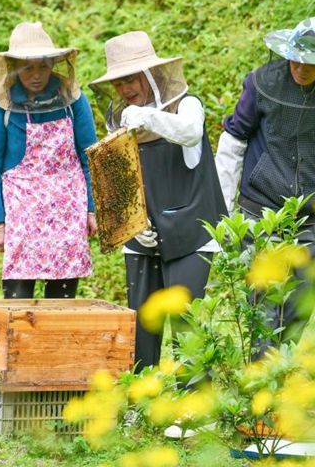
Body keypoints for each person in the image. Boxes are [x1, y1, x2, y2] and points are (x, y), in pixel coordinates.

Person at [215, 17, 315, 352]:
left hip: (313, 217)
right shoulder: (261, 82)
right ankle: (260, 390)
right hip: (260, 210)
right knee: (264, 306)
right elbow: (233, 141)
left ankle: (282, 382)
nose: (301, 67)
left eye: (311, 63)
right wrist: (222, 208)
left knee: (300, 307)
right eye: (296, 57)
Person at [89, 31, 227, 374]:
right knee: (141, 326)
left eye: (131, 79)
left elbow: (190, 131)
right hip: (143, 236)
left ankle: (193, 410)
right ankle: (142, 402)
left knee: (186, 322)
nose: (125, 90)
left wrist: (148, 117)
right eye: (118, 83)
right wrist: (132, 229)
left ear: (150, 74)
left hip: (191, 232)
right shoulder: (120, 118)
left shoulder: (186, 104)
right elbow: (121, 186)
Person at [0, 22, 97, 299]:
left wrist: (92, 209)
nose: (36, 75)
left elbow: (89, 157)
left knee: (62, 301)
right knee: (18, 301)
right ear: (15, 67)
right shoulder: (1, 104)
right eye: (28, 67)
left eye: (42, 66)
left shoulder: (73, 100)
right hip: (22, 211)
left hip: (68, 209)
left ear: (53, 65)